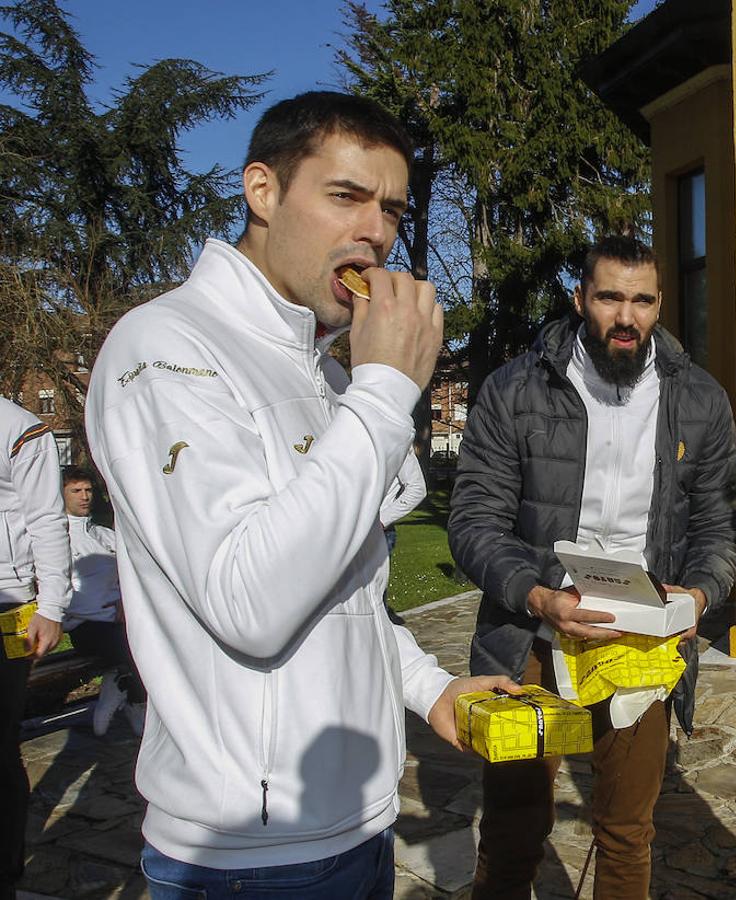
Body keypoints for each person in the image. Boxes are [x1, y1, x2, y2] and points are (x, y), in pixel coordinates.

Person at [84, 91, 514, 899]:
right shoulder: (167, 346)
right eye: (345, 196)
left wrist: (430, 688)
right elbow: (249, 601)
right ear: (263, 191)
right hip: (245, 853)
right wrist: (386, 392)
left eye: (390, 208)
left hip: (356, 824)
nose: (375, 232)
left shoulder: (323, 367)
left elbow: (345, 594)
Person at [448, 235, 736, 899]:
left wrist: (697, 597)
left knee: (626, 831)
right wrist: (538, 596)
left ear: (660, 305)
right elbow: (472, 523)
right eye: (610, 296)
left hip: (643, 639)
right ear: (580, 298)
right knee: (514, 829)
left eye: (642, 300)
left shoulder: (699, 400)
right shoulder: (514, 391)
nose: (626, 316)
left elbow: (720, 528)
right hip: (533, 632)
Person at [0, 398, 70, 900]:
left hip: (7, 604)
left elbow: (47, 518)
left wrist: (51, 606)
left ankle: (6, 869)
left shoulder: (21, 429)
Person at [58, 466, 146, 737]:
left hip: (121, 618)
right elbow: (66, 596)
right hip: (88, 627)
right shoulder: (59, 540)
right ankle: (130, 696)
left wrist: (123, 600)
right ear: (61, 495)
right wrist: (105, 609)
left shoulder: (105, 535)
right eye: (76, 491)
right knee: (135, 649)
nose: (84, 496)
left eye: (88, 489)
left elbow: (133, 575)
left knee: (157, 641)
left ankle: (125, 692)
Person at [379, 450, 426, 624]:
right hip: (344, 530)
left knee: (375, 597)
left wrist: (382, 520)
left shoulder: (397, 440)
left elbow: (417, 488)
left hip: (378, 535)